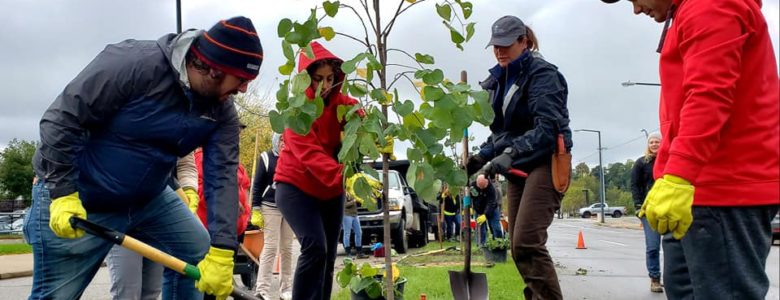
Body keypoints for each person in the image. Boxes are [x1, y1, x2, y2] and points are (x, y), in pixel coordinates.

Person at [25, 16, 263, 299]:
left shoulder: (221, 110)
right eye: (242, 79)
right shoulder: (134, 64)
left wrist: (223, 250)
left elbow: (223, 173)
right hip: (83, 195)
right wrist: (63, 192)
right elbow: (61, 120)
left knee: (199, 251)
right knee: (56, 295)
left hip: (147, 199)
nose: (244, 89)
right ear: (213, 70)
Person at [601, 0, 780, 298]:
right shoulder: (687, 11)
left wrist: (678, 174)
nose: (635, 9)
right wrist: (669, 175)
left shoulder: (710, 6)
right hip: (694, 189)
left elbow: (709, 95)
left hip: (723, 186)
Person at [466, 15, 572, 300]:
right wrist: (482, 156)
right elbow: (503, 132)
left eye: (506, 44)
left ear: (524, 42)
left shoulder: (543, 75)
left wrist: (510, 154)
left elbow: (547, 129)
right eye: (495, 45)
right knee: (516, 244)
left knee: (527, 241)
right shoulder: (500, 80)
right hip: (518, 167)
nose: (500, 51)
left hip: (546, 161)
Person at [273, 41, 359, 300]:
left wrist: (371, 131)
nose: (325, 85)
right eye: (318, 79)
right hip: (295, 186)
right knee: (315, 247)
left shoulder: (340, 103)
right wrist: (345, 176)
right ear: (305, 79)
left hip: (330, 190)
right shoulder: (296, 112)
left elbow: (357, 112)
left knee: (329, 255)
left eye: (330, 78)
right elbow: (310, 154)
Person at [103, 152, 199, 300]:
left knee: (151, 291)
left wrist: (189, 188)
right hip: (121, 215)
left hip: (158, 214)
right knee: (127, 293)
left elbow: (186, 165)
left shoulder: (182, 130)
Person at [251, 133, 294, 300]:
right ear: (276, 140)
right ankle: (262, 290)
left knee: (287, 248)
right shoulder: (266, 158)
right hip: (269, 207)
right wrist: (255, 208)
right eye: (281, 139)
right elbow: (257, 186)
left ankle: (286, 290)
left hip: (290, 208)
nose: (284, 142)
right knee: (270, 247)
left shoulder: (293, 157)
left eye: (287, 139)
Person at [630, 133, 663, 293]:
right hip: (649, 211)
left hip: (669, 209)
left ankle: (675, 279)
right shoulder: (641, 163)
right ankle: (655, 279)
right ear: (648, 144)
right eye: (652, 142)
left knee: (675, 248)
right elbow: (635, 185)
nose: (655, 144)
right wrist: (637, 206)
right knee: (653, 246)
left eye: (657, 141)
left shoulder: (669, 161)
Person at [471, 179, 502, 246]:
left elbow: (491, 203)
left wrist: (485, 215)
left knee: (496, 227)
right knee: (480, 229)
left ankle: (499, 244)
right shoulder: (473, 187)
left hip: (492, 209)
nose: (482, 188)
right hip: (479, 210)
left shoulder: (491, 188)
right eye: (480, 186)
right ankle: (481, 245)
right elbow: (469, 196)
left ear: (487, 182)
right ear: (477, 183)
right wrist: (467, 205)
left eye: (483, 186)